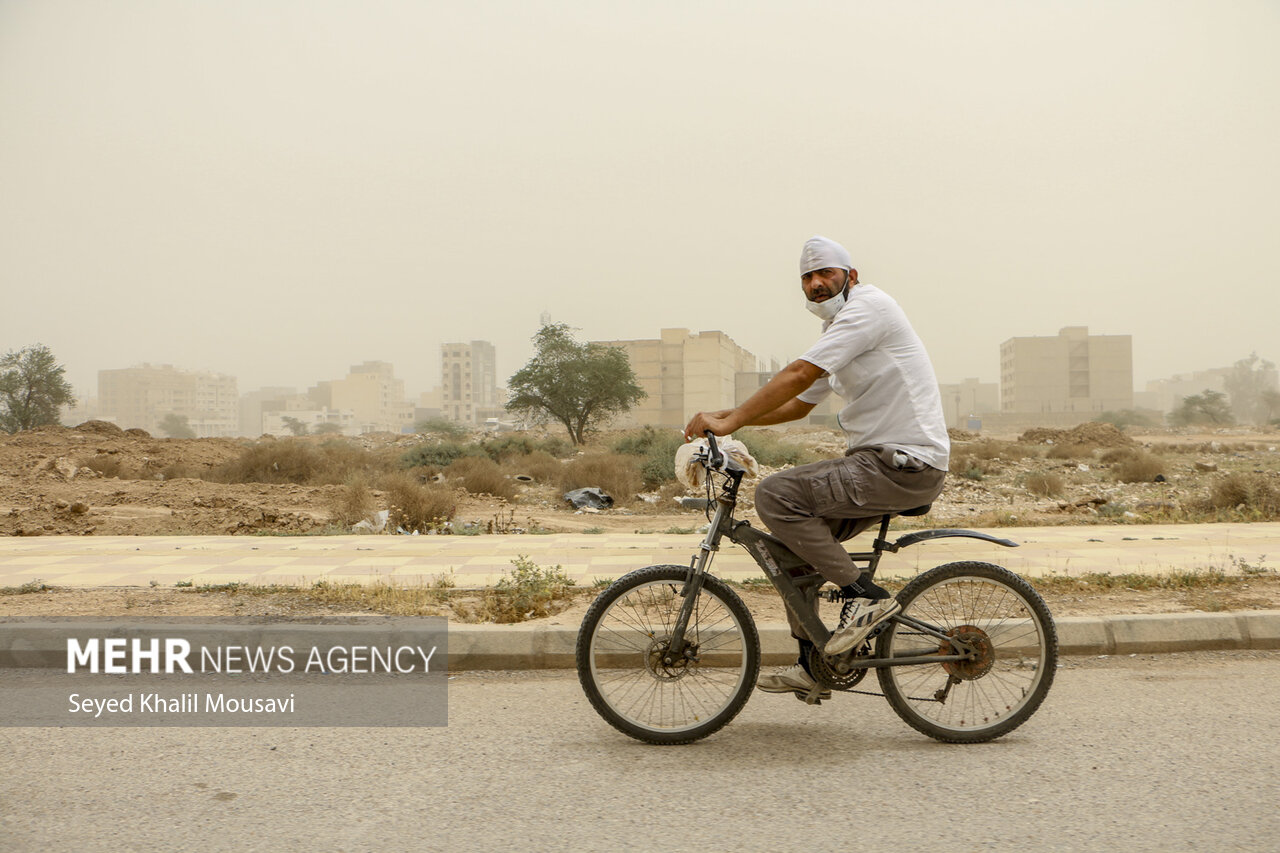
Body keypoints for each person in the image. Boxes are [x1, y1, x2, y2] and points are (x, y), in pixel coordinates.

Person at [683, 235, 949, 699]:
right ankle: (815, 664)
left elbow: (800, 374)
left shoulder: (869, 309)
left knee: (775, 494)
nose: (816, 283)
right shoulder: (838, 330)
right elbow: (799, 405)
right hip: (878, 464)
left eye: (826, 272)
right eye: (807, 277)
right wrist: (729, 419)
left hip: (905, 462)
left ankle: (863, 598)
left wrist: (733, 418)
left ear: (852, 275)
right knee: (795, 560)